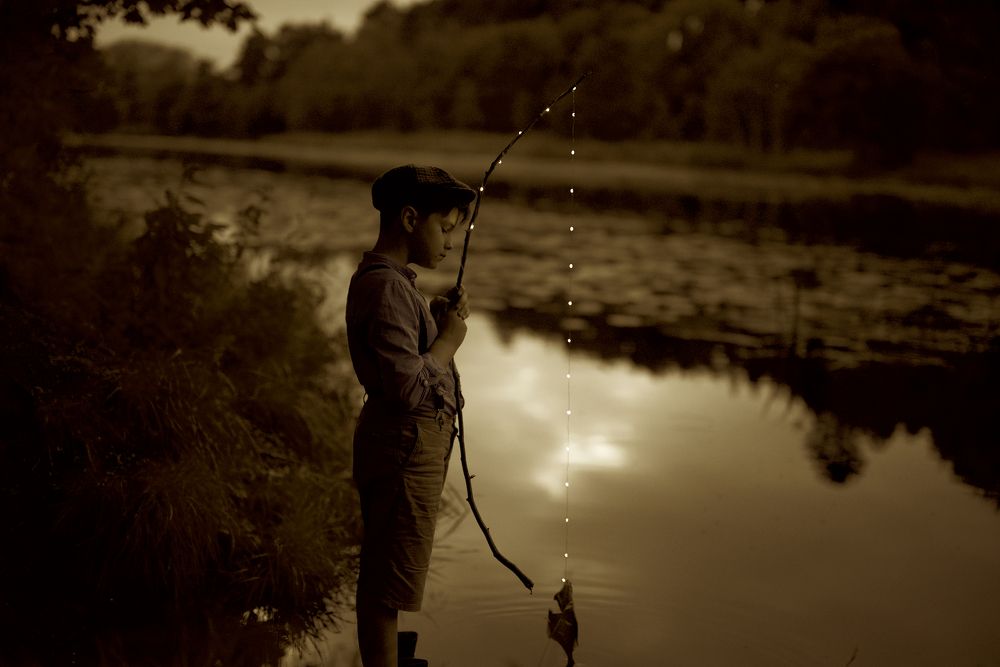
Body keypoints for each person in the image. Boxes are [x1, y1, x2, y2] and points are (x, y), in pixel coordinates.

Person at [345, 164, 476, 667]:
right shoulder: (384, 288)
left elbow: (403, 356)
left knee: (390, 576)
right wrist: (447, 341)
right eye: (444, 228)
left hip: (406, 448)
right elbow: (404, 387)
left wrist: (435, 319)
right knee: (384, 585)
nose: (449, 241)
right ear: (407, 218)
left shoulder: (398, 286)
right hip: (402, 449)